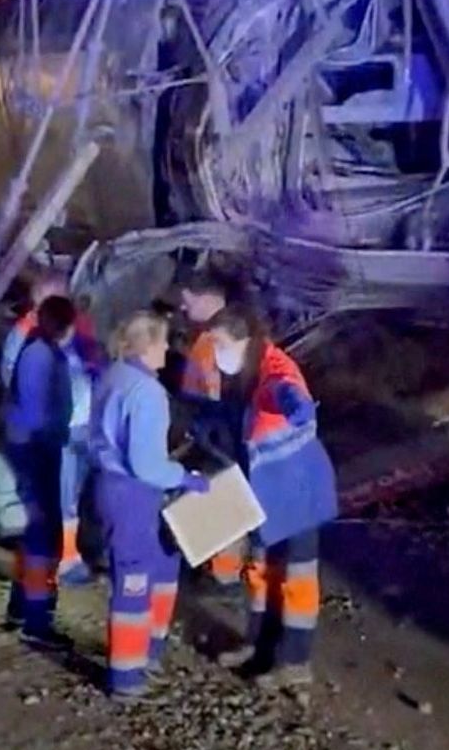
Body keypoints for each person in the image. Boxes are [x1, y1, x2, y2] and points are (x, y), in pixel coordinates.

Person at [197, 304, 337, 694]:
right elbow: (237, 414)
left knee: (296, 578)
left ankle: (294, 662)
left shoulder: (276, 372)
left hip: (298, 492)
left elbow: (289, 396)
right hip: (268, 492)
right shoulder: (250, 373)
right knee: (263, 571)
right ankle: (259, 645)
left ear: (244, 340)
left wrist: (297, 407)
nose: (217, 353)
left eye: (221, 344)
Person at [90, 310, 208, 699]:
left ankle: (146, 655)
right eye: (162, 341)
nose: (167, 348)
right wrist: (185, 478)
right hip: (134, 494)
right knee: (136, 581)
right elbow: (146, 464)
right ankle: (127, 676)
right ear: (146, 345)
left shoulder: (114, 374)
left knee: (160, 565)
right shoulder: (148, 393)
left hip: (112, 487)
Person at [1, 266, 105, 583]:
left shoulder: (75, 328)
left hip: (81, 425)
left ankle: (62, 558)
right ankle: (62, 564)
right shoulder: (27, 336)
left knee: (72, 495)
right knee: (61, 499)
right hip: (56, 432)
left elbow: (92, 365)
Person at [2, 292, 77, 646]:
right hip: (36, 452)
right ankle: (36, 620)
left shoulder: (39, 351)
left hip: (34, 450)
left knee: (36, 535)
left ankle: (21, 608)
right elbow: (35, 413)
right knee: (42, 540)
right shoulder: (41, 356)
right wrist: (58, 432)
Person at [177, 264, 244, 586]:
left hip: (217, 430)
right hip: (221, 427)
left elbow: (214, 392)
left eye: (187, 301)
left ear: (208, 299)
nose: (182, 308)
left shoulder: (214, 341)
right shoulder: (235, 331)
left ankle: (222, 575)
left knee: (222, 494)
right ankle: (223, 572)